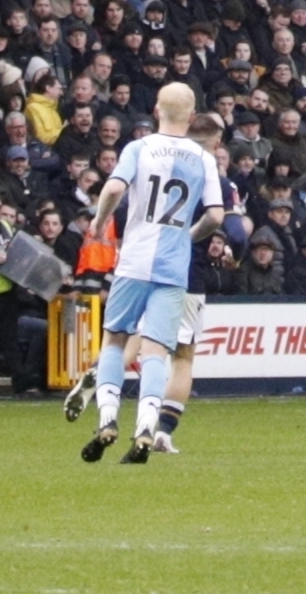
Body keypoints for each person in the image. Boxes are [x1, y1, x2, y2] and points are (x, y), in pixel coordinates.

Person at [80, 77, 224, 466]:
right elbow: (215, 215)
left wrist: (99, 224)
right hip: (173, 269)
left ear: (157, 112)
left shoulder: (138, 148)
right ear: (192, 117)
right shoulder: (205, 159)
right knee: (157, 352)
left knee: (114, 341)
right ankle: (146, 426)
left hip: (135, 262)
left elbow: (112, 190)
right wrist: (189, 236)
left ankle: (107, 419)